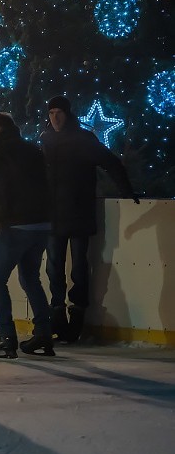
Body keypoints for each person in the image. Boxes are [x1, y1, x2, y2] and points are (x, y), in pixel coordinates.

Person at [41, 96, 138, 342]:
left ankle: (76, 313)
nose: (55, 118)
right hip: (53, 214)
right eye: (51, 113)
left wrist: (126, 190)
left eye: (59, 112)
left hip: (78, 212)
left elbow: (111, 162)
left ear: (67, 114)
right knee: (54, 266)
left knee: (78, 266)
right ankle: (58, 312)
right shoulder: (46, 139)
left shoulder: (82, 140)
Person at [0, 112, 54, 359]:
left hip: (14, 225)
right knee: (31, 278)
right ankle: (43, 334)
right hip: (42, 224)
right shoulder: (33, 149)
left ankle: (7, 337)